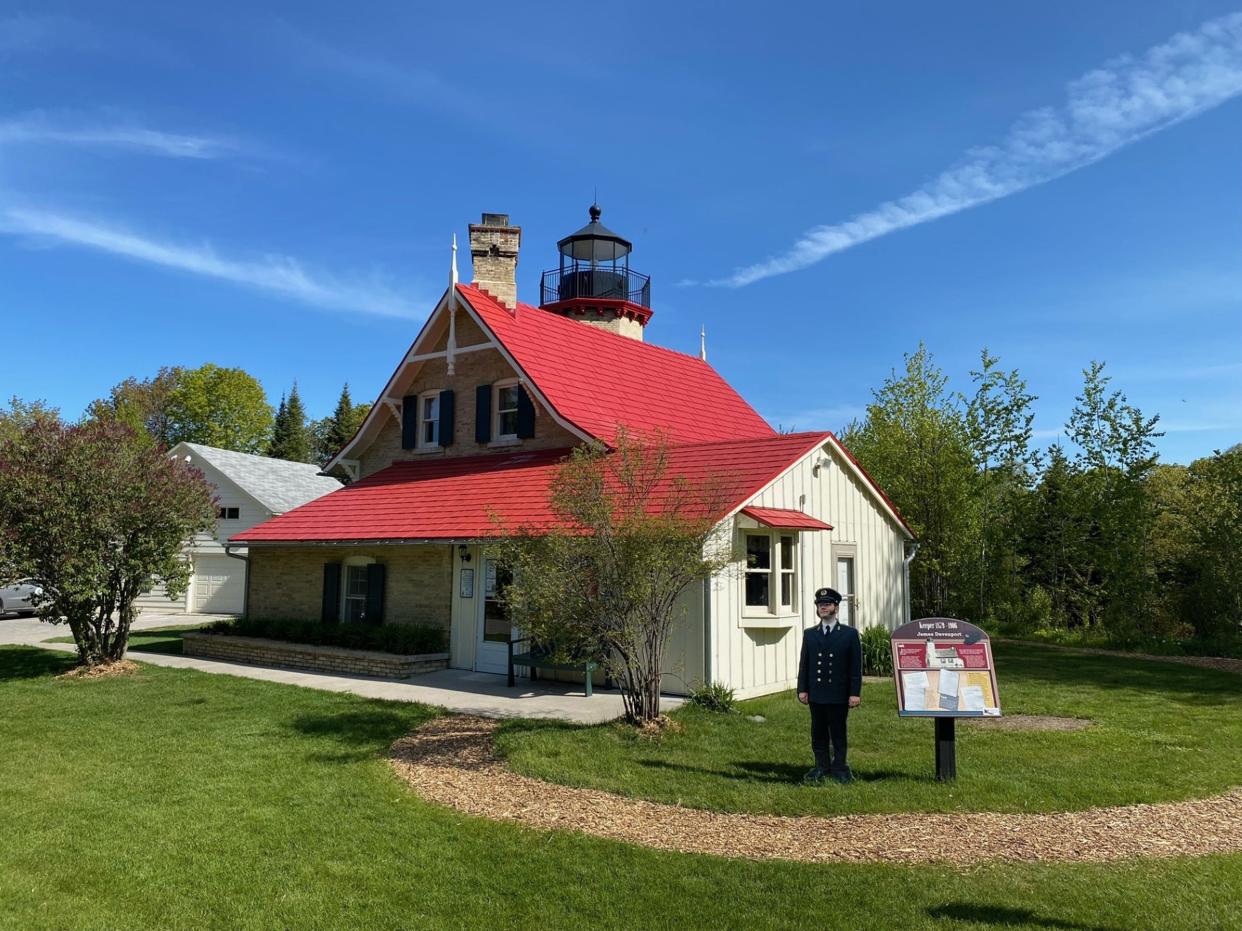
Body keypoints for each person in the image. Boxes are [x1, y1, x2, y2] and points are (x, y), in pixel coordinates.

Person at [797, 587, 862, 783]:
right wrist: (802, 689)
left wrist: (854, 693)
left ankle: (840, 767)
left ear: (836, 607)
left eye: (827, 604)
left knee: (838, 731)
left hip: (838, 693)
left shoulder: (849, 634)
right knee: (818, 732)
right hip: (817, 692)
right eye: (820, 605)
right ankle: (821, 766)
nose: (823, 608)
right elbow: (805, 664)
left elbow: (855, 667)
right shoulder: (810, 634)